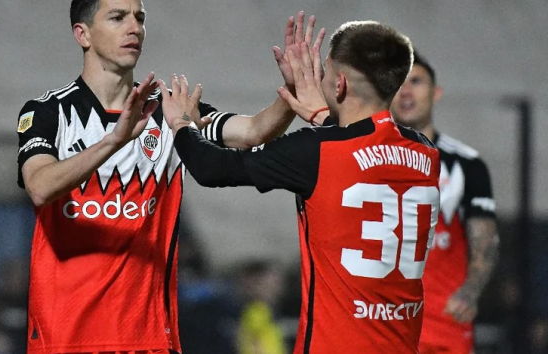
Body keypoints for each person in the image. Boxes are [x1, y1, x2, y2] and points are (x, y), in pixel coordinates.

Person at [16, 0, 310, 354]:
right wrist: (114, 141)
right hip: (66, 336)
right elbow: (39, 187)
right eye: (118, 17)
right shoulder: (47, 112)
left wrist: (291, 92)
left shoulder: (169, 109)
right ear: (83, 34)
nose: (134, 27)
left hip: (150, 338)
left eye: (139, 17)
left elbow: (253, 131)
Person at [162, 20, 441, 353]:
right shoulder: (424, 152)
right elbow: (364, 152)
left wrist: (181, 123)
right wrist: (323, 118)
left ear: (340, 84)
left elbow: (210, 169)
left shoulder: (316, 151)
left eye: (324, 73)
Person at [391, 52, 499, 354]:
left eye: (416, 81)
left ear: (436, 93)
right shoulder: (363, 158)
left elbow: (486, 242)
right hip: (379, 322)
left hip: (442, 325)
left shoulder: (466, 164)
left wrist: (470, 292)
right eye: (399, 82)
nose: (407, 90)